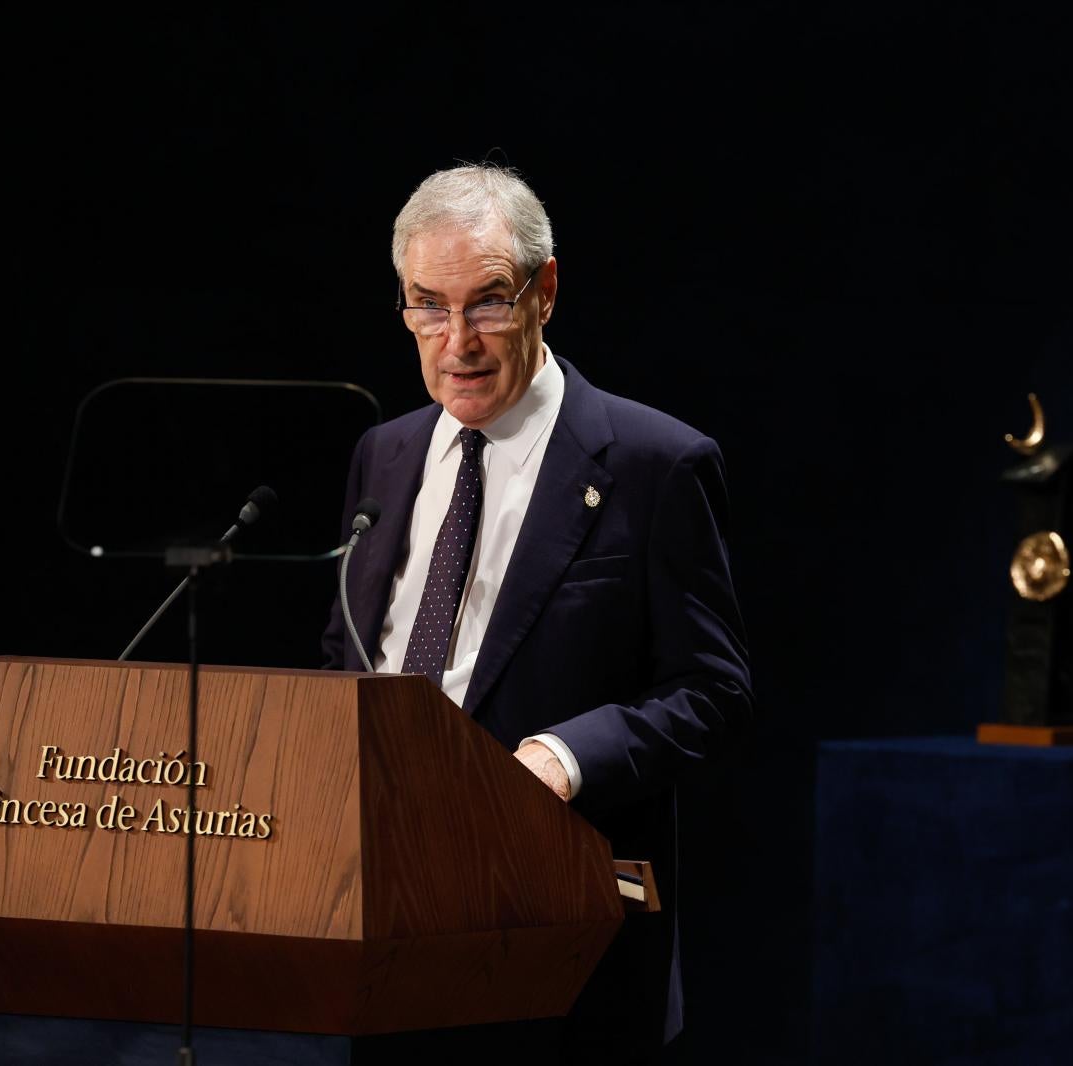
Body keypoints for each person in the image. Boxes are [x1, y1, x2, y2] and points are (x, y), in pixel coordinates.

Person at [322, 163, 753, 1060]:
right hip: (382, 935)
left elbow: (711, 691)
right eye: (427, 306)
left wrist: (561, 760)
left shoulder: (652, 464)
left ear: (545, 291)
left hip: (562, 951)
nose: (456, 342)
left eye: (486, 302)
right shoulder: (384, 455)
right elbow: (346, 658)